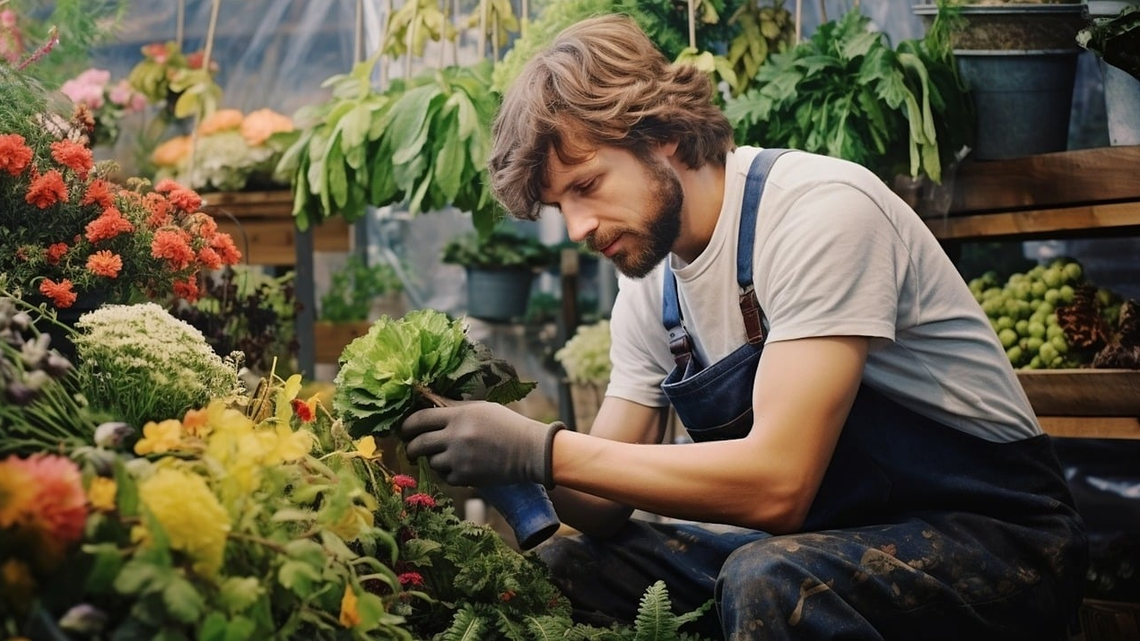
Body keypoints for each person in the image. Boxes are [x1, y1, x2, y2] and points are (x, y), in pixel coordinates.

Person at [399, 13, 1089, 640]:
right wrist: (497, 445)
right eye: (559, 207)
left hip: (1000, 543)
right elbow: (601, 507)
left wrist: (542, 449)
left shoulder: (817, 214)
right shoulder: (651, 285)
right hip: (828, 544)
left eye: (586, 185)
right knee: (573, 565)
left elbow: (779, 487)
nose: (578, 227)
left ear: (662, 136)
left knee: (770, 579)